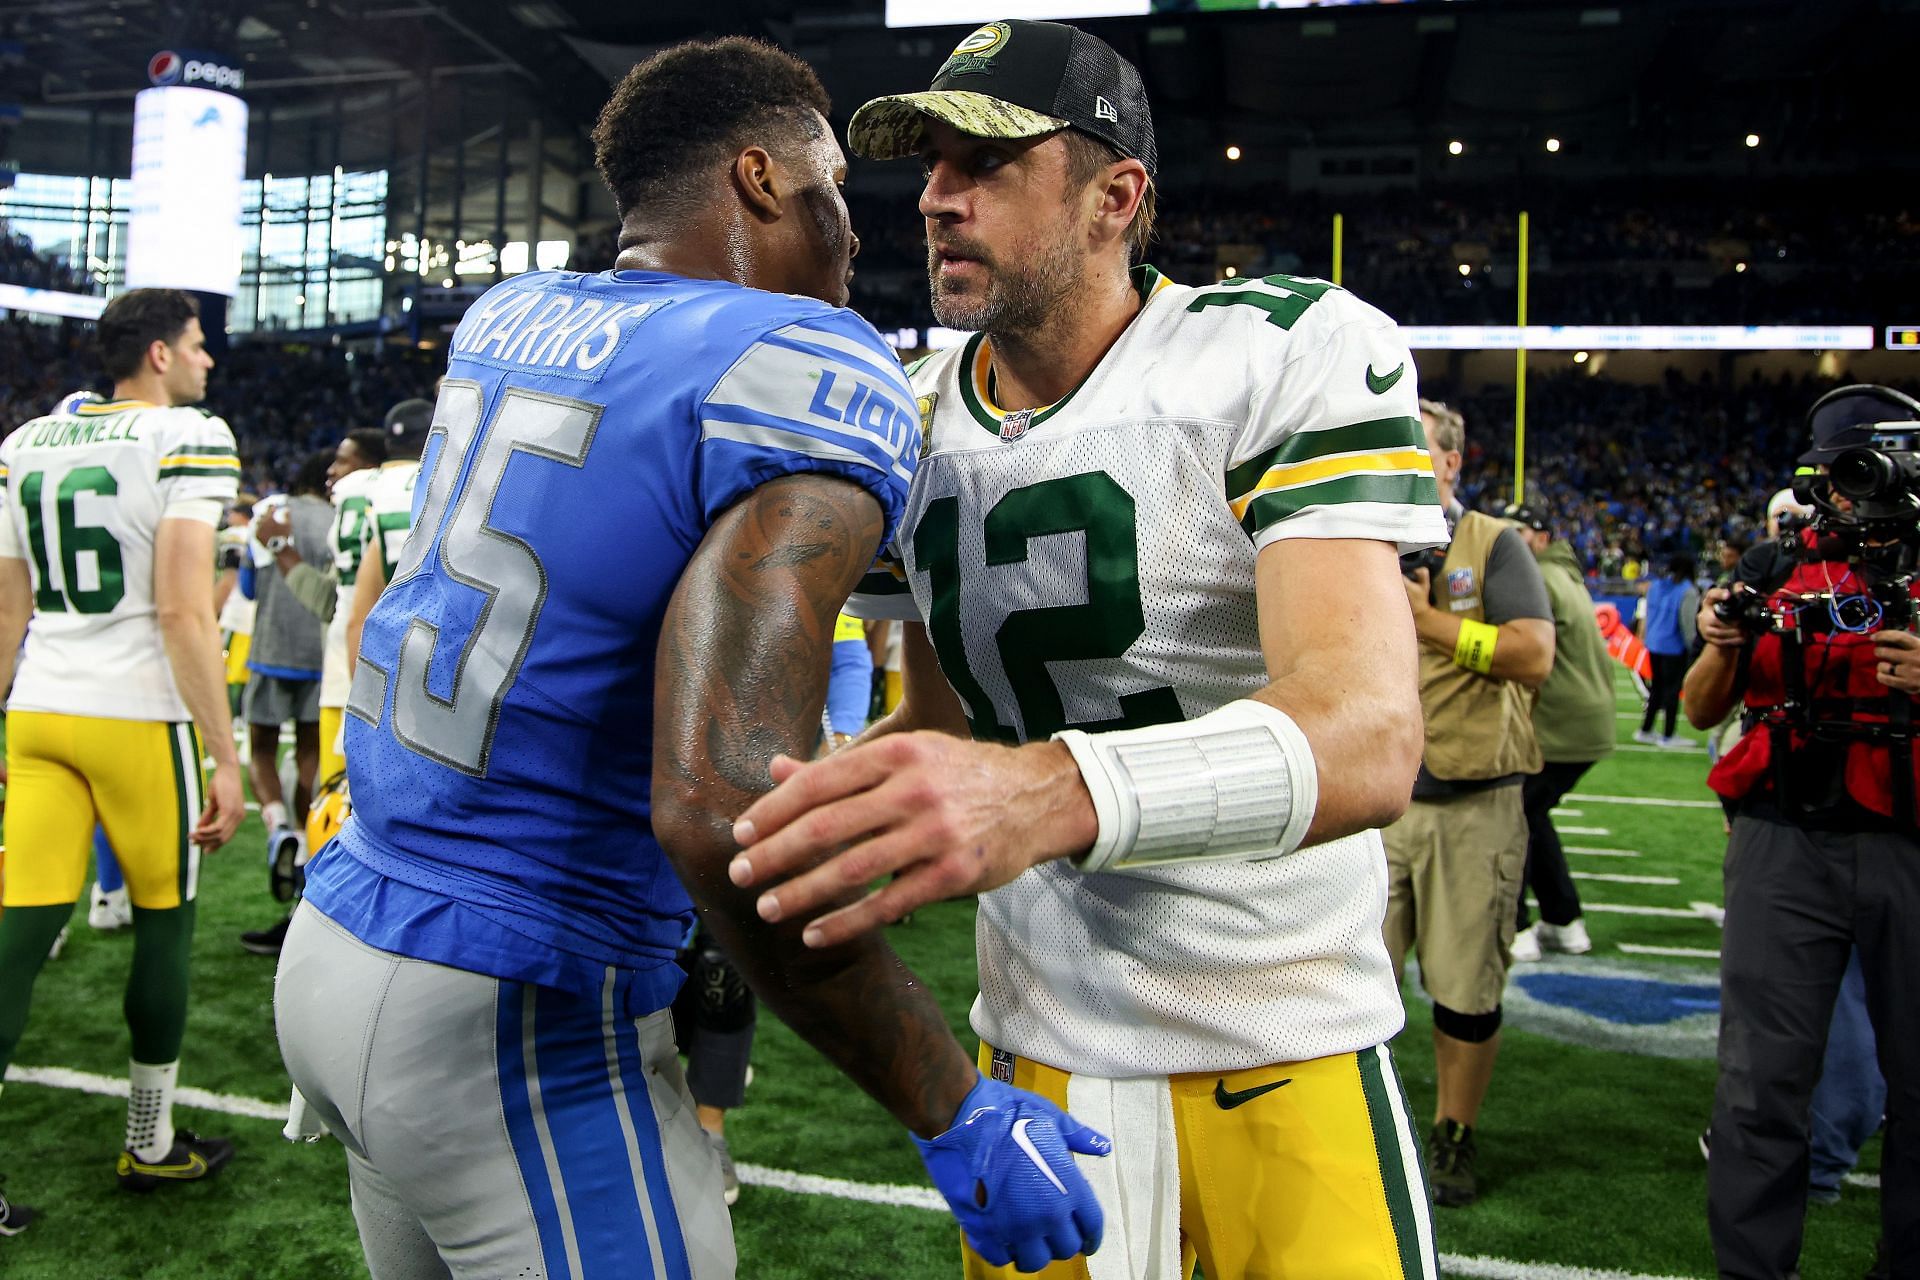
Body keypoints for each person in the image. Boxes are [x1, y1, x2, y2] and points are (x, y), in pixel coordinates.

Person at [272, 38, 1106, 1280]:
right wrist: (950, 1102)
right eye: (831, 187)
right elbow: (715, 808)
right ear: (761, 178)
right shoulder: (800, 362)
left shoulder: (511, 318)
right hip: (516, 1000)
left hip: (340, 935)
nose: (857, 232)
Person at [730, 19, 1447, 1278]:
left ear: (1118, 196)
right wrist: (828, 802)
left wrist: (1050, 788)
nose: (939, 198)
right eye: (931, 164)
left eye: (988, 163)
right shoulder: (909, 414)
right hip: (1034, 1050)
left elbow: (1371, 733)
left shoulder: (1280, 348)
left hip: (1280, 1036)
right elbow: (957, 728)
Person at [0, 288, 246, 1217]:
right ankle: (149, 1142)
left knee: (18, 939)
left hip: (39, 713)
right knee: (166, 924)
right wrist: (222, 755)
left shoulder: (24, 443)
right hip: (137, 717)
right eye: (195, 344)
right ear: (156, 356)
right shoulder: (188, 436)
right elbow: (184, 610)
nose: (206, 361)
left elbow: (6, 612)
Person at [1689, 384, 1917, 1280]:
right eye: (1845, 470)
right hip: (1783, 835)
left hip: (1909, 835)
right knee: (1759, 1086)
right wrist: (1719, 641)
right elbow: (1706, 706)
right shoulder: (1773, 568)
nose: (1863, 489)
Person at [1382, 401, 1555, 1207]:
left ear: (1451, 462)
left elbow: (1532, 654)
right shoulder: (1358, 540)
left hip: (1472, 802)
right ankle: (1364, 1123)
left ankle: (1454, 1132)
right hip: (1373, 809)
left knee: (1464, 987)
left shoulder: (1492, 543)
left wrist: (1430, 624)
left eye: (1415, 443)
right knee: (1348, 983)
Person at [1500, 502, 1612, 963]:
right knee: (1534, 814)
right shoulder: (1562, 574)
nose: (1509, 540)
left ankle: (1516, 926)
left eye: (1519, 532)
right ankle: (1564, 920)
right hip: (1584, 721)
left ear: (1541, 537)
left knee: (1512, 815)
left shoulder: (1538, 578)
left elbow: (1516, 648)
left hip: (1561, 723)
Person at [237, 448, 333, 955]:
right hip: (320, 654)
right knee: (312, 758)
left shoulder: (270, 513)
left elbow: (249, 586)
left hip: (270, 649)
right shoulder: (339, 516)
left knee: (261, 751)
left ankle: (277, 826)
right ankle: (303, 835)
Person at [1635, 552, 1698, 748]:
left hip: (1654, 644)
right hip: (1674, 647)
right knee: (1672, 692)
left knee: (1656, 689)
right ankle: (1668, 735)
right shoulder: (1688, 591)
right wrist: (1694, 648)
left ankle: (1645, 730)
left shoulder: (1655, 586)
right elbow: (1687, 624)